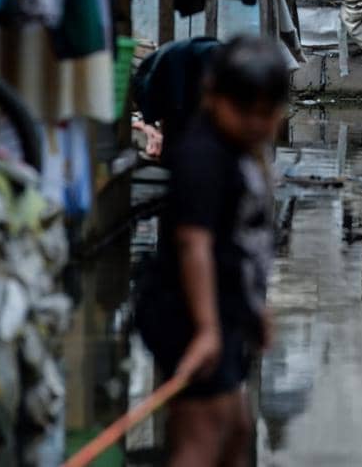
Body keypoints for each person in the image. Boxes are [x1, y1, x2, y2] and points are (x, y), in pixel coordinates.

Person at [136, 36, 289, 466]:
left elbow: (243, 242)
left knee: (235, 430)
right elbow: (193, 244)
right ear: (213, 96)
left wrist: (253, 309)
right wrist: (206, 330)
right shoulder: (202, 156)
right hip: (187, 311)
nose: (255, 123)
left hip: (221, 308)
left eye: (266, 113)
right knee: (202, 438)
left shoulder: (241, 154)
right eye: (244, 111)